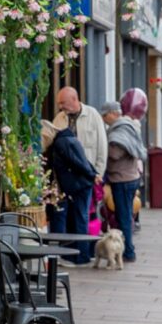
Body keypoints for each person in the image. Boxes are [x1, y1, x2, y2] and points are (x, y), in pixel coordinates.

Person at [52, 87, 107, 265]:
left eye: (63, 103)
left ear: (75, 99)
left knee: (82, 216)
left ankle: (82, 255)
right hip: (65, 179)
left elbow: (101, 146)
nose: (61, 107)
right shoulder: (60, 118)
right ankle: (69, 254)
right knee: (67, 216)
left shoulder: (92, 115)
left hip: (86, 177)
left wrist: (97, 174)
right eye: (59, 103)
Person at [41, 120, 97, 265]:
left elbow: (78, 163)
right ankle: (78, 255)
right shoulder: (64, 139)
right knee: (79, 218)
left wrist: (92, 175)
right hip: (80, 185)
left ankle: (81, 256)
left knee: (80, 219)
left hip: (80, 186)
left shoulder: (61, 143)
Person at [101, 101, 146, 263]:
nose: (104, 120)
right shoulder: (129, 125)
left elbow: (115, 154)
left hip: (122, 179)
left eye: (105, 116)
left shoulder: (120, 128)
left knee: (124, 216)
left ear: (113, 113)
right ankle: (126, 250)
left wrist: (103, 145)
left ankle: (128, 252)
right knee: (125, 215)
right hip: (131, 177)